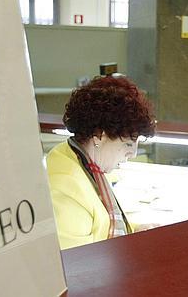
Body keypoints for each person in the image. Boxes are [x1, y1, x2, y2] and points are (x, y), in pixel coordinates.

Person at [47, 75, 156, 250]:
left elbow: (100, 225)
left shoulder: (77, 158)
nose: (133, 153)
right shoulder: (64, 186)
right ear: (99, 135)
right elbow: (75, 268)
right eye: (128, 143)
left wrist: (135, 231)